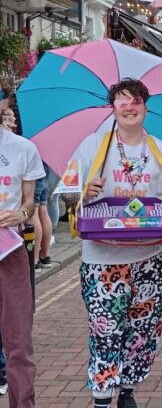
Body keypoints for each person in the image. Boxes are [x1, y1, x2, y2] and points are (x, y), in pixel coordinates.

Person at [71, 78, 162, 408]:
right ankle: (103, 395)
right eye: (122, 101)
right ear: (113, 108)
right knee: (105, 328)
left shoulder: (161, 150)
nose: (129, 106)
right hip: (103, 257)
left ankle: (128, 390)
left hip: (150, 256)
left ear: (146, 108)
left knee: (143, 328)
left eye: (136, 101)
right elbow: (67, 190)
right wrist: (84, 191)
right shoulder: (92, 146)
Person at [0, 104, 45, 408]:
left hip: (9, 249)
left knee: (18, 341)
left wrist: (19, 213)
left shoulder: (22, 148)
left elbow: (30, 204)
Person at [32, 163, 53, 272]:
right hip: (44, 171)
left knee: (33, 214)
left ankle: (34, 260)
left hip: (32, 175)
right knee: (43, 211)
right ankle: (45, 256)